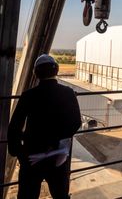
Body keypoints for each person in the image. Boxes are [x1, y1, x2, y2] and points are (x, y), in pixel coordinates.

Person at [8, 54, 81, 199]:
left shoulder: (28, 95)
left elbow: (14, 126)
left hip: (32, 155)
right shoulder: (68, 93)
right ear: (57, 70)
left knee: (27, 195)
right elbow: (75, 123)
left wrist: (19, 153)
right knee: (60, 195)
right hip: (58, 155)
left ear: (35, 73)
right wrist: (58, 142)